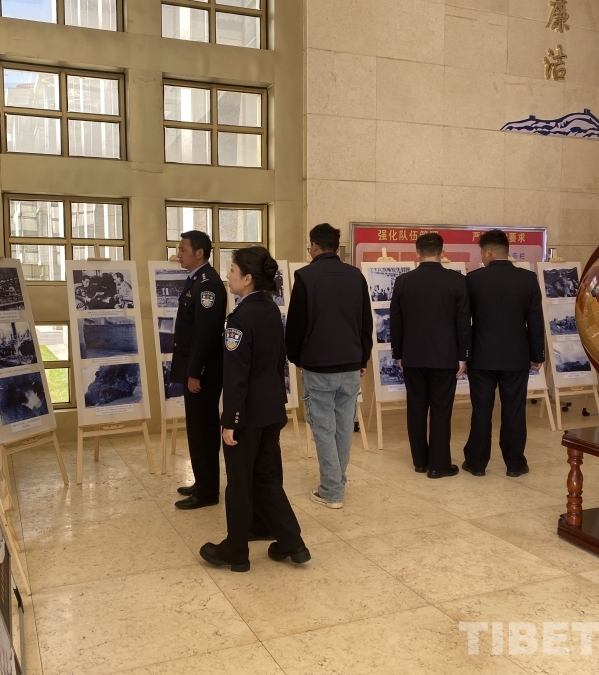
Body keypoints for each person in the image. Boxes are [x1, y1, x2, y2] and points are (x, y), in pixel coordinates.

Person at [200, 247, 310, 572]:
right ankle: (292, 543)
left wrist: (231, 420)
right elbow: (277, 363)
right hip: (271, 410)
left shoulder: (239, 319)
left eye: (232, 271)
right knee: (266, 478)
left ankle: (236, 551)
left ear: (247, 278)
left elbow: (237, 376)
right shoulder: (270, 309)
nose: (228, 276)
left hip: (246, 416)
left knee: (239, 482)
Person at [285, 223, 372, 509]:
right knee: (344, 426)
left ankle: (332, 490)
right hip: (350, 364)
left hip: (318, 365)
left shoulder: (306, 276)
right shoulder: (356, 276)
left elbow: (296, 325)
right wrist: (362, 358)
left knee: (323, 428)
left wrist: (297, 358)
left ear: (314, 246)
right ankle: (337, 482)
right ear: (336, 247)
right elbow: (365, 322)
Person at [462, 229, 545, 478]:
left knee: (481, 411)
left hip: (481, 357)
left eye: (482, 252)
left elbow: (464, 322)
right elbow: (535, 320)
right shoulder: (527, 279)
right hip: (516, 357)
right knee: (514, 411)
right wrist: (537, 355)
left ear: (488, 251)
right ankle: (515, 463)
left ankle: (477, 463)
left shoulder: (473, 280)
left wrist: (463, 354)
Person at [389, 233, 470, 478]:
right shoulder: (456, 281)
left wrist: (398, 354)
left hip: (412, 356)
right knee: (441, 410)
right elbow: (463, 323)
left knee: (415, 408)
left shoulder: (403, 281)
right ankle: (438, 464)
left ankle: (420, 461)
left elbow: (396, 322)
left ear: (417, 253)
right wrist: (463, 357)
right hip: (445, 357)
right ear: (442, 252)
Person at [170, 231, 228, 509]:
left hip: (203, 372)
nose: (178, 254)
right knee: (197, 428)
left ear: (199, 252)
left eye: (183, 250)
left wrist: (195, 372)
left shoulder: (208, 285)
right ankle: (203, 481)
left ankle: (207, 491)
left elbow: (205, 333)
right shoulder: (196, 280)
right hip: (195, 368)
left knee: (203, 430)